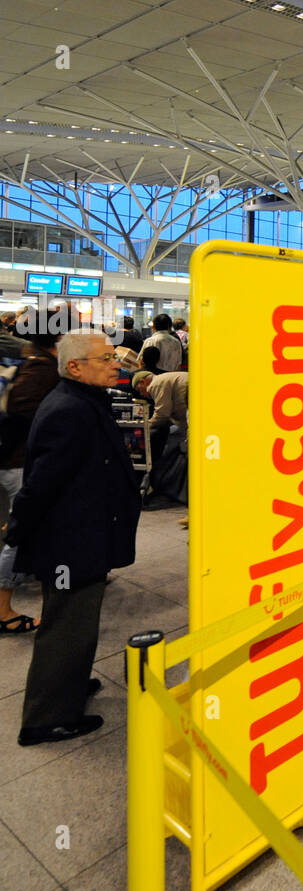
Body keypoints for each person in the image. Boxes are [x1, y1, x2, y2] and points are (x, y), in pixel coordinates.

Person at [7, 332, 141, 744]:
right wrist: (17, 531)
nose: (116, 364)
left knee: (79, 620)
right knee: (67, 624)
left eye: (114, 356)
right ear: (75, 367)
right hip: (67, 541)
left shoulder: (84, 400)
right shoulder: (70, 410)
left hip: (83, 534)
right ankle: (46, 718)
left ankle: (69, 684)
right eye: (105, 359)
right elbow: (42, 482)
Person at [0, 308, 62, 634]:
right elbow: (20, 406)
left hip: (13, 458)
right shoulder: (41, 368)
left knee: (18, 525)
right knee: (19, 531)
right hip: (18, 461)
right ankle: (2, 608)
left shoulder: (30, 358)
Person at [131, 368, 188, 467]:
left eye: (139, 390)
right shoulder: (163, 379)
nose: (141, 394)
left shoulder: (155, 384)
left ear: (143, 381)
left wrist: (146, 426)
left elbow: (162, 413)